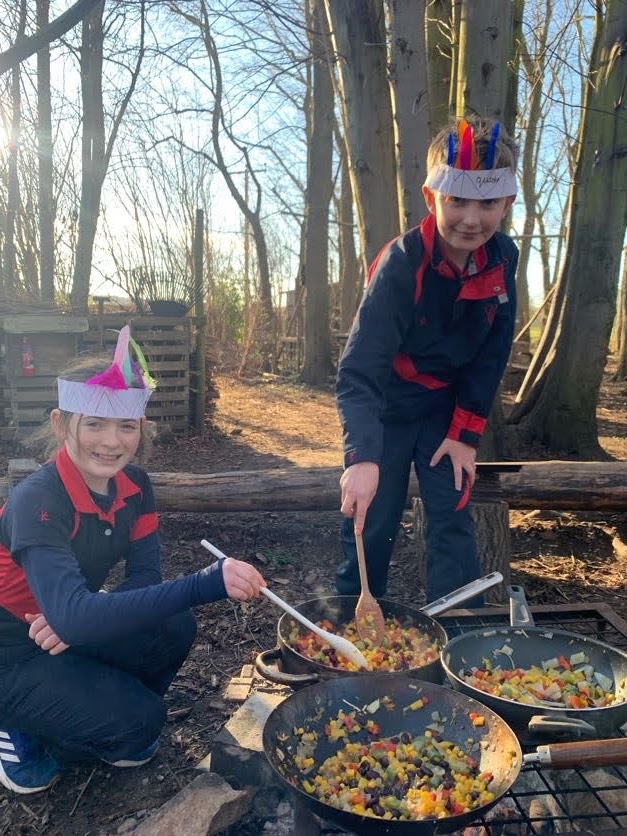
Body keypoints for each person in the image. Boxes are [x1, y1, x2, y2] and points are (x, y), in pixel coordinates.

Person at [0, 326, 265, 795]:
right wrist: (207, 582)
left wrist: (76, 619)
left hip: (61, 621)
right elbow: (84, 611)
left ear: (141, 429)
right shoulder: (37, 501)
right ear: (63, 425)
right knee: (140, 725)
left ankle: (96, 706)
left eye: (126, 426)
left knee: (172, 627)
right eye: (94, 424)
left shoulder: (137, 486)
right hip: (11, 650)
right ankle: (19, 724)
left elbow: (144, 578)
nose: (111, 441)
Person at [335, 117, 518, 606]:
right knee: (373, 515)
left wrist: (464, 435)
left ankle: (462, 636)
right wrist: (363, 457)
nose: (471, 219)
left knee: (451, 515)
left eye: (487, 204)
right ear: (431, 196)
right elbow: (359, 371)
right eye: (457, 200)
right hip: (388, 403)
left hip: (445, 408)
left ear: (507, 203)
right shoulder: (400, 263)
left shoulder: (504, 259)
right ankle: (351, 619)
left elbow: (492, 355)